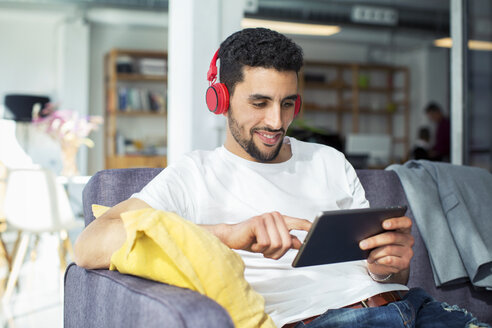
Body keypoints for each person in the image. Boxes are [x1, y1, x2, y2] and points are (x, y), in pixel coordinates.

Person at [74, 28, 488, 328]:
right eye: (259, 103)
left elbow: (381, 271)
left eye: (287, 103)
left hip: (415, 307)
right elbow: (88, 246)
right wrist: (228, 234)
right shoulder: (193, 174)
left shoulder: (330, 161)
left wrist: (388, 267)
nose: (277, 121)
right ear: (220, 99)